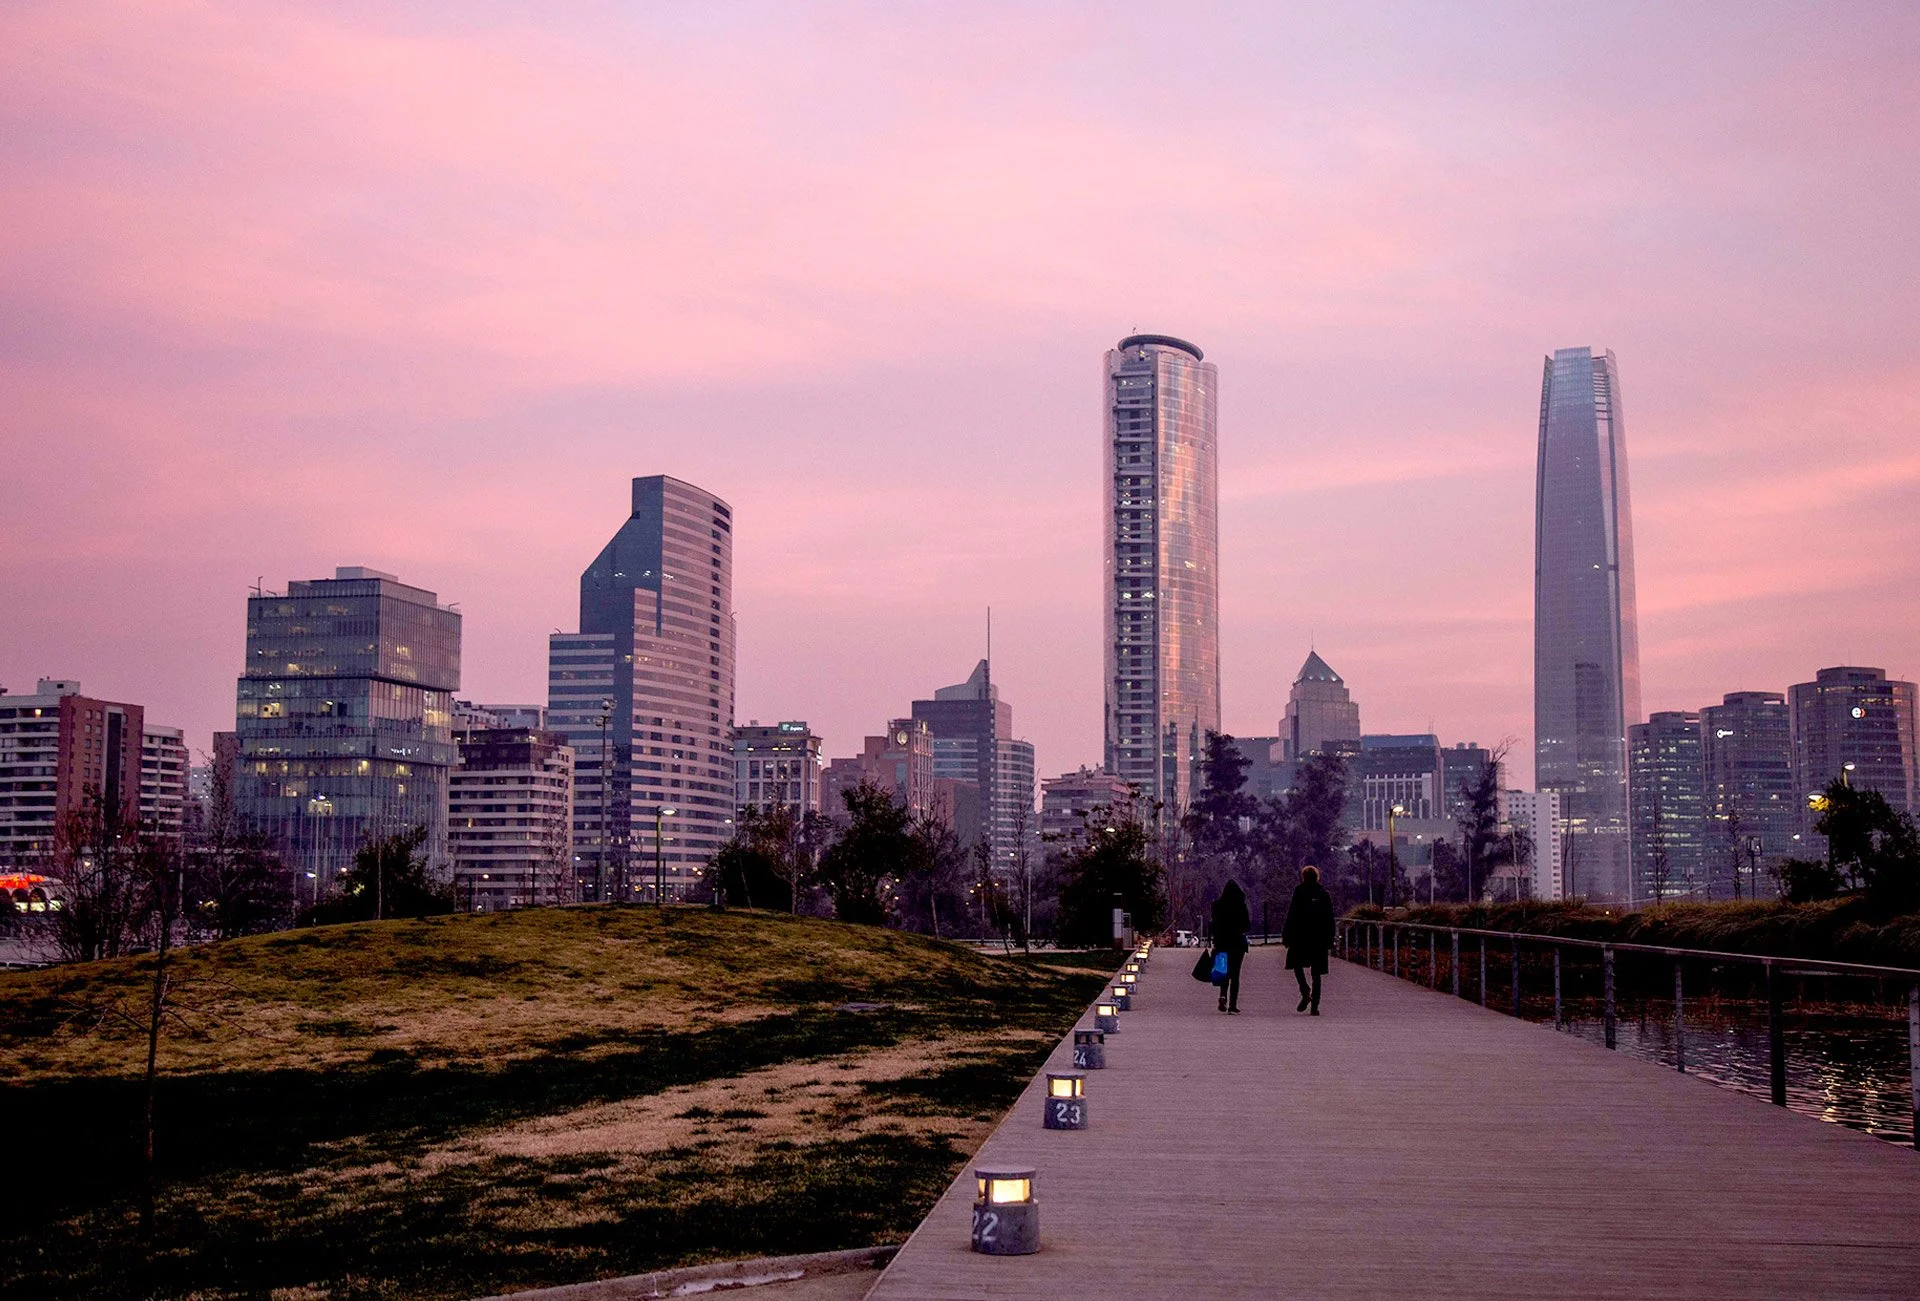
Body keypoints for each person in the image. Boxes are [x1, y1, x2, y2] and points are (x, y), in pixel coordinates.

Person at [1282, 865, 1335, 1015]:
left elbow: (1291, 914)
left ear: (1304, 877)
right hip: (1319, 939)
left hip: (1300, 938)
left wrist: (1286, 935)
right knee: (1316, 974)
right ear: (1317, 877)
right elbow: (1330, 918)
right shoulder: (1323, 894)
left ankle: (1305, 990)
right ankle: (1315, 1007)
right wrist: (1331, 938)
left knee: (1296, 965)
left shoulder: (1299, 892)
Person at [1209, 880, 1251, 1013]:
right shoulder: (1241, 905)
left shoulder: (1217, 905)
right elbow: (1247, 925)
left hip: (1222, 943)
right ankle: (1233, 1005)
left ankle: (1223, 995)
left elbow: (1213, 925)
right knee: (1235, 974)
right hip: (1238, 943)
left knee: (1223, 970)